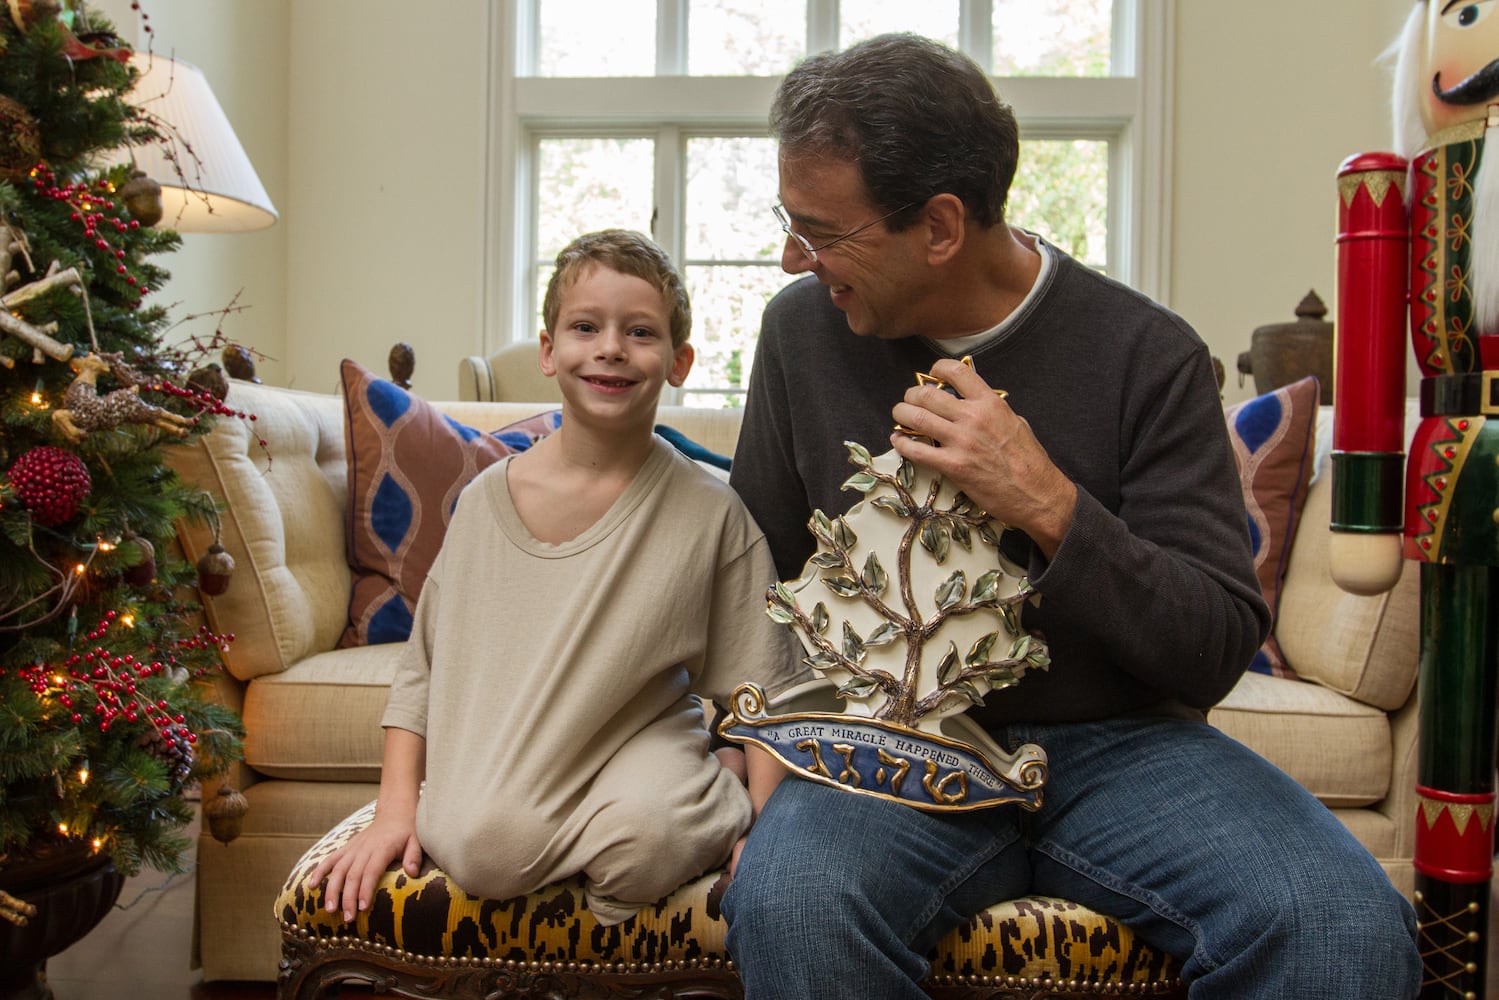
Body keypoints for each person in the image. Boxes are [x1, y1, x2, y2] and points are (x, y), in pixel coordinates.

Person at [721, 33, 1421, 999]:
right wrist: (753, 754)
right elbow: (755, 571)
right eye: (790, 223)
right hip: (885, 744)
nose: (792, 258)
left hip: (1125, 747)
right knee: (791, 903)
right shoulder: (800, 331)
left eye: (822, 233)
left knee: (1344, 928)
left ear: (939, 225)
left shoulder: (1147, 353)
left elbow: (1213, 645)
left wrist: (1045, 501)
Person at [308, 229, 806, 926]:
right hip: (513, 751)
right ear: (548, 350)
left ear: (679, 362)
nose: (611, 348)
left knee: (646, 848)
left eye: (640, 332)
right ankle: (668, 792)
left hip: (644, 740)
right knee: (485, 853)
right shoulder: (485, 502)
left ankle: (710, 782)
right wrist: (395, 809)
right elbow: (422, 670)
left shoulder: (711, 513)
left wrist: (765, 822)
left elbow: (765, 690)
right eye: (585, 327)